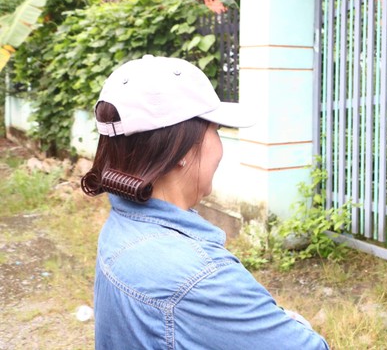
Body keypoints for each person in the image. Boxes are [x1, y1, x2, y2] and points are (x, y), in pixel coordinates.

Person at [81, 55, 330, 350]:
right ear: (182, 149)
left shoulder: (122, 227)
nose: (219, 147)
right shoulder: (198, 275)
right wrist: (296, 322)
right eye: (215, 130)